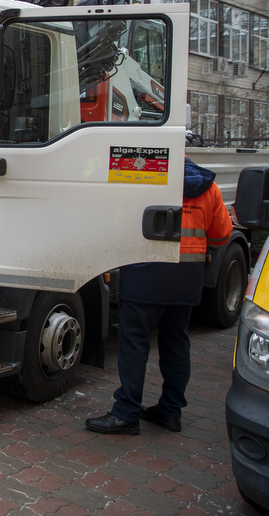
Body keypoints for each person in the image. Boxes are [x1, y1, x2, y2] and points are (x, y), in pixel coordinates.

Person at [86, 158, 233, 435]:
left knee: (134, 344)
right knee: (176, 344)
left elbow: (118, 223)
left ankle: (127, 413)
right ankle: (170, 411)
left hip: (146, 273)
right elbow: (221, 234)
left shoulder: (143, 179)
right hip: (187, 277)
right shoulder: (207, 186)